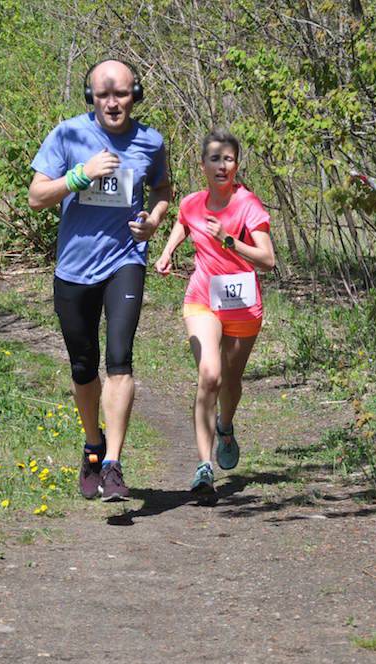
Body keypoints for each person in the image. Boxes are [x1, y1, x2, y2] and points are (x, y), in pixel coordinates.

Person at [28, 59, 171, 501]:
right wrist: (81, 175)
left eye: (121, 94)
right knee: (83, 367)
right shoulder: (68, 135)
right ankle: (93, 445)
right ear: (91, 96)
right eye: (104, 94)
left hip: (125, 260)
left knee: (120, 359)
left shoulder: (151, 141)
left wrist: (153, 221)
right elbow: (36, 196)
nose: (113, 103)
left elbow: (162, 190)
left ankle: (112, 464)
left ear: (135, 95)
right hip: (74, 268)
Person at [154, 128, 275, 503]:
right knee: (210, 375)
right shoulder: (192, 202)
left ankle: (225, 425)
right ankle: (204, 467)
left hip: (243, 305)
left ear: (237, 165)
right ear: (203, 164)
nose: (222, 166)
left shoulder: (248, 205)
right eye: (215, 159)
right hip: (202, 300)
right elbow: (183, 222)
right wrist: (168, 251)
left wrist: (229, 240)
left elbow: (268, 260)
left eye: (229, 159)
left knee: (231, 382)